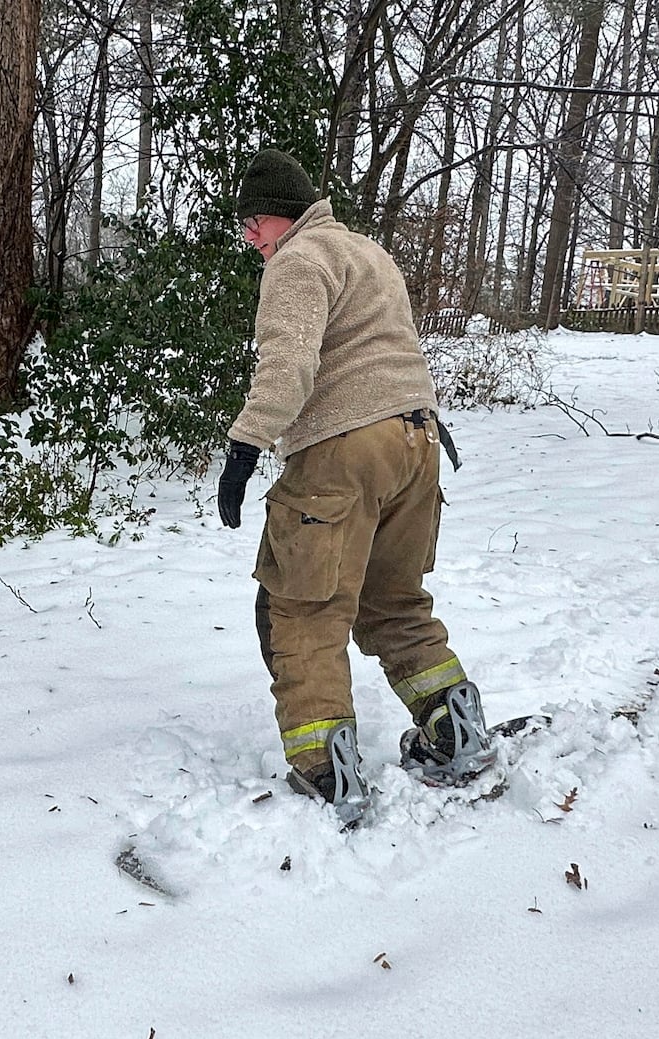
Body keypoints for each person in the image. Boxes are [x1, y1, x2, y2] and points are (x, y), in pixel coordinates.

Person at [216, 148, 492, 825]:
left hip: (343, 448)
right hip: (416, 443)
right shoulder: (368, 253)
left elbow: (288, 365)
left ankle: (323, 768)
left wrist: (244, 446)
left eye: (254, 223)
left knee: (303, 605)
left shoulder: (299, 261)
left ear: (285, 214)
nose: (251, 238)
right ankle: (453, 726)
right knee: (392, 600)